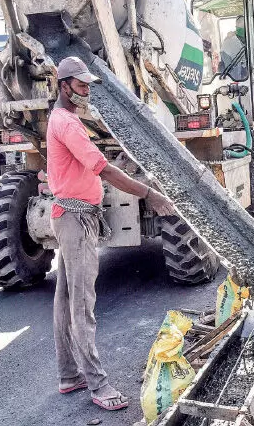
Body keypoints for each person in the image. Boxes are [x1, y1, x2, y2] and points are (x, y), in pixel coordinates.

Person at [47, 57, 177, 411]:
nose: (87, 90)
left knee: (65, 299)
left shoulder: (64, 119)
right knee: (82, 304)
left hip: (69, 216)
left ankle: (68, 374)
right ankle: (97, 384)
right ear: (64, 86)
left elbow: (91, 167)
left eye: (89, 85)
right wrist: (149, 193)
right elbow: (102, 169)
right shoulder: (69, 124)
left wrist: (111, 169)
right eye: (81, 85)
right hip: (76, 221)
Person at [219, 16, 248, 81]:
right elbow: (229, 69)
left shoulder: (251, 39)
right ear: (236, 26)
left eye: (244, 25)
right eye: (241, 25)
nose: (244, 28)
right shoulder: (230, 41)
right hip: (234, 79)